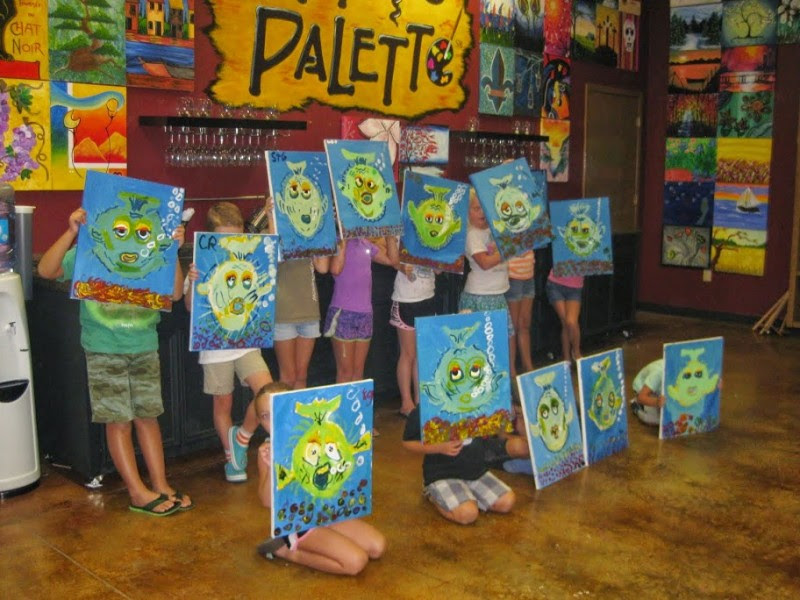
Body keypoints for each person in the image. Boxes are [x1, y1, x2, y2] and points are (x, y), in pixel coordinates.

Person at [38, 208, 192, 516]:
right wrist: (71, 232)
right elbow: (46, 270)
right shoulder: (91, 252)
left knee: (148, 416)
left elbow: (175, 293)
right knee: (118, 420)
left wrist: (172, 251)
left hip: (144, 344)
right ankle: (137, 491)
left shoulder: (151, 252)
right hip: (104, 347)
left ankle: (160, 484)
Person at [255, 382, 386, 574]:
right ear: (259, 421)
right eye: (266, 416)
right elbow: (267, 502)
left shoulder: (318, 433)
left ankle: (323, 537)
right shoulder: (266, 451)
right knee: (356, 562)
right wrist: (270, 465)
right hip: (297, 523)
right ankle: (285, 550)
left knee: (378, 546)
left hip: (327, 513)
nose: (274, 419)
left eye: (280, 409)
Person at [184, 202, 273, 483]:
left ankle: (241, 437)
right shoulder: (201, 263)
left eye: (236, 236)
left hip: (246, 341)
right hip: (215, 346)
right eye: (223, 237)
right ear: (210, 236)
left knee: (267, 393)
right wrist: (194, 283)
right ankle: (231, 457)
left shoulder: (250, 258)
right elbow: (189, 307)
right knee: (223, 402)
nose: (229, 243)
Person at [402, 406, 516, 525]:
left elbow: (494, 428)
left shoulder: (481, 400)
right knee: (468, 514)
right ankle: (431, 493)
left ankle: (465, 496)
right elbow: (408, 442)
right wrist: (439, 447)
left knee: (507, 502)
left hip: (475, 471)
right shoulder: (429, 405)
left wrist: (505, 414)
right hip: (442, 474)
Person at [324, 236, 398, 384]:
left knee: (358, 372)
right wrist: (344, 239)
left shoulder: (365, 242)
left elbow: (392, 261)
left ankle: (357, 400)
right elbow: (335, 269)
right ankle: (343, 400)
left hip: (365, 314)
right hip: (343, 313)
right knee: (345, 372)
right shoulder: (337, 240)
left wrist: (390, 236)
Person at [459, 189, 514, 344]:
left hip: (496, 293)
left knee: (503, 339)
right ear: (467, 212)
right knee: (485, 342)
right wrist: (509, 249)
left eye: (484, 207)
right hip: (481, 295)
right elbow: (484, 262)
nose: (482, 212)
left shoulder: (494, 230)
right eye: (476, 209)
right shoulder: (472, 234)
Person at [390, 263, 437, 417]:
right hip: (406, 299)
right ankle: (406, 402)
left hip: (428, 296)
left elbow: (439, 269)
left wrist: (443, 260)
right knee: (408, 353)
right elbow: (393, 259)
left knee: (421, 353)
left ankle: (420, 399)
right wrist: (401, 266)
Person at [505, 249, 536, 377]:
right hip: (513, 274)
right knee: (513, 327)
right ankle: (511, 370)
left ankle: (528, 367)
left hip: (528, 274)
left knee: (524, 324)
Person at [545, 269, 584, 364]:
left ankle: (576, 352)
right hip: (555, 283)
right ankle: (567, 359)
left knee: (571, 322)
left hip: (575, 287)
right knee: (565, 321)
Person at [631, 359, 666, 426]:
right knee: (656, 420)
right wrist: (656, 402)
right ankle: (636, 406)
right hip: (642, 389)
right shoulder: (659, 373)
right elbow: (641, 397)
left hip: (658, 387)